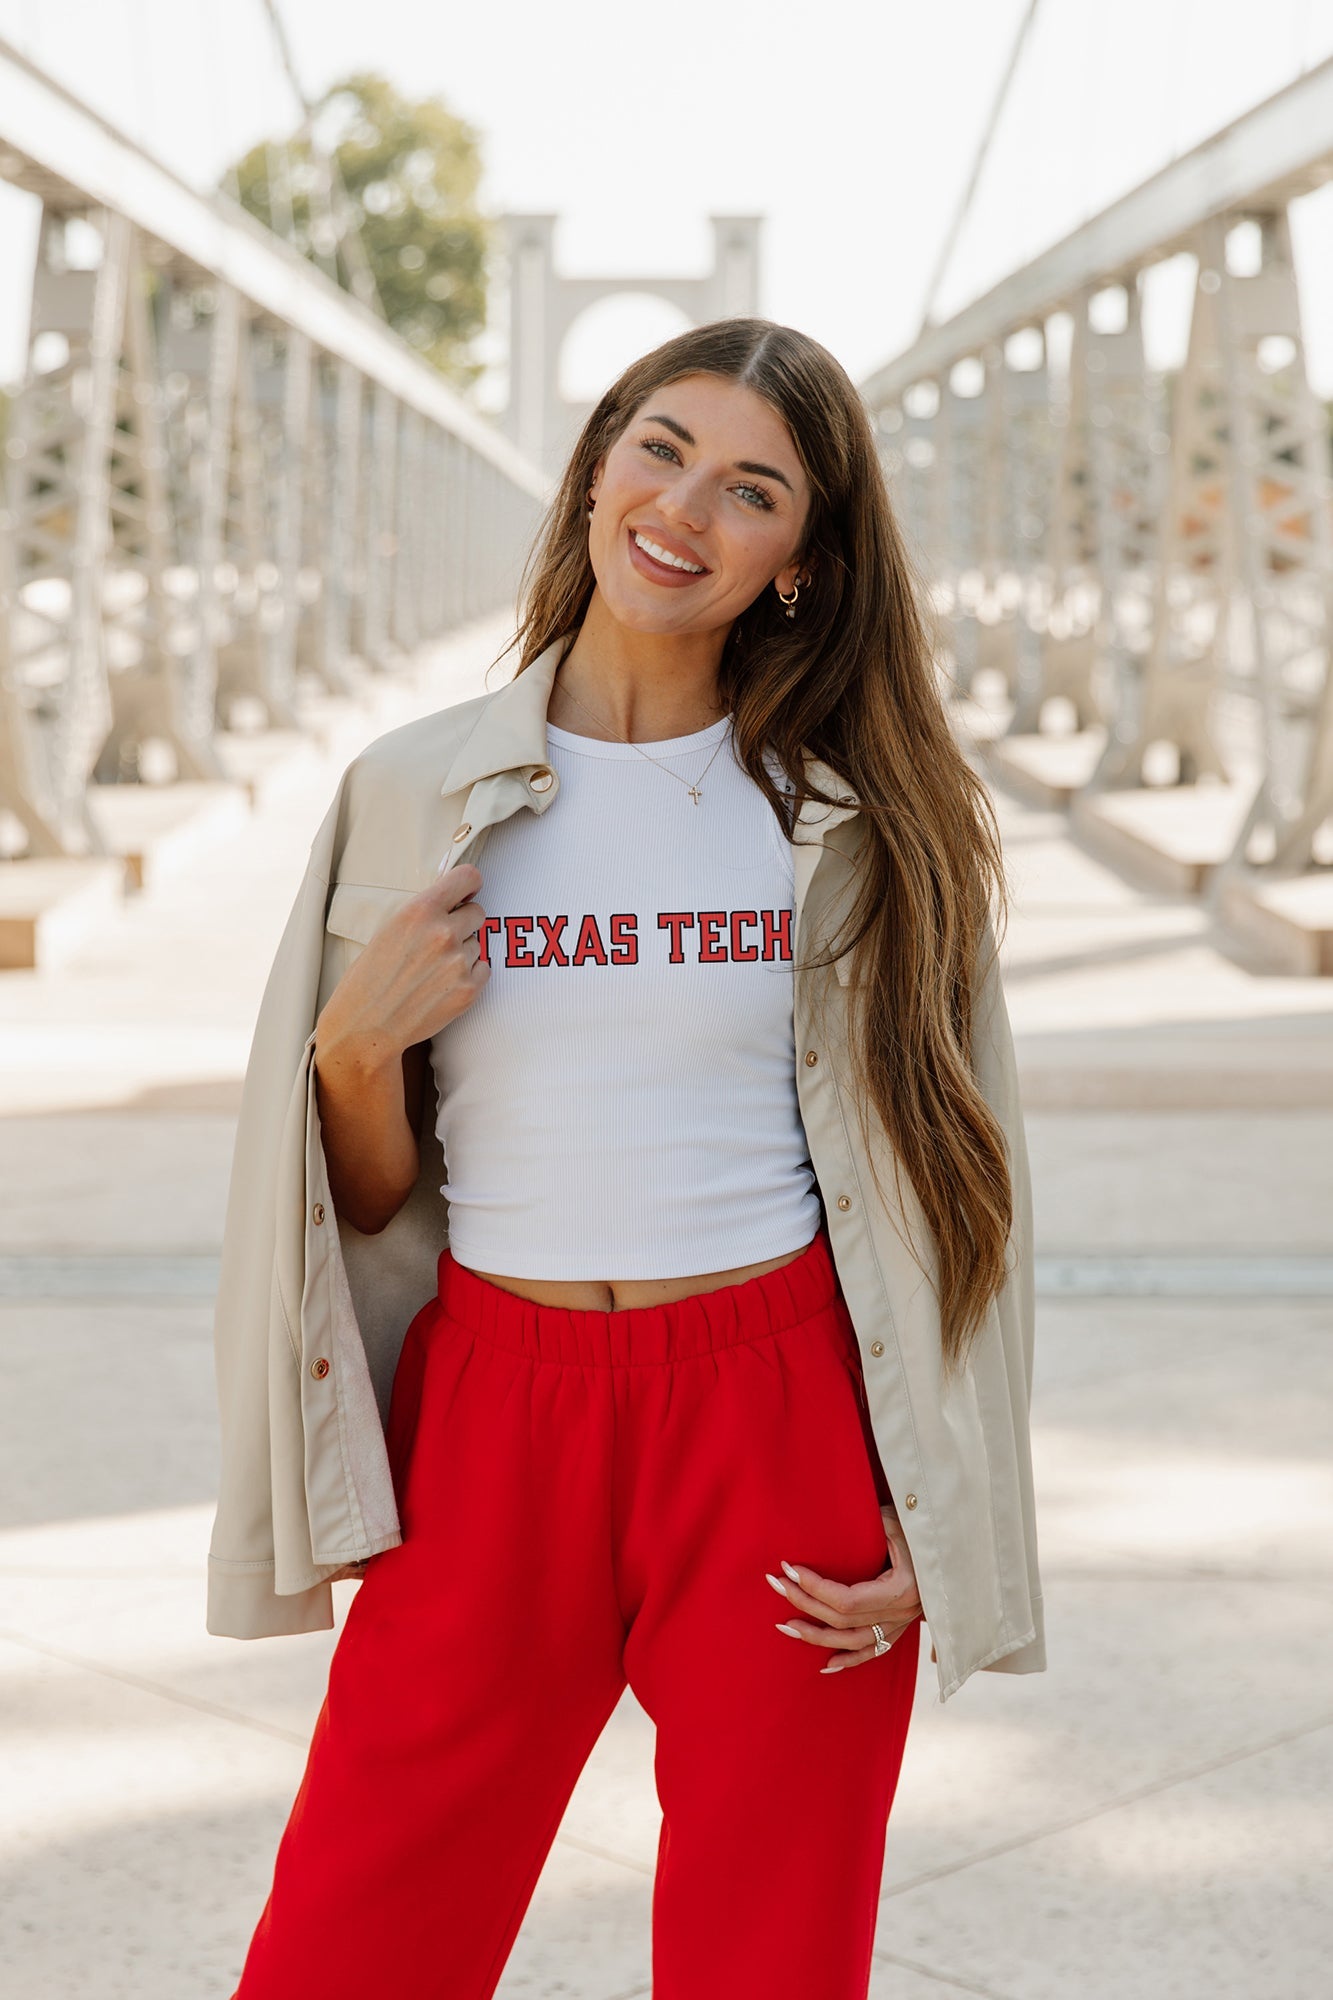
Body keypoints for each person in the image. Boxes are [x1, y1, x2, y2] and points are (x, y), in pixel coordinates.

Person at [210, 317, 1044, 2000]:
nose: (683, 508)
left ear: (801, 561)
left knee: (770, 1958)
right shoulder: (409, 790)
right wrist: (355, 1046)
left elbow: (963, 1183)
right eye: (659, 448)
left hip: (774, 1421)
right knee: (349, 1946)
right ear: (597, 461)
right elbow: (360, 1200)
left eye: (752, 489)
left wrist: (932, 1495)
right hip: (491, 1421)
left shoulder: (859, 817)